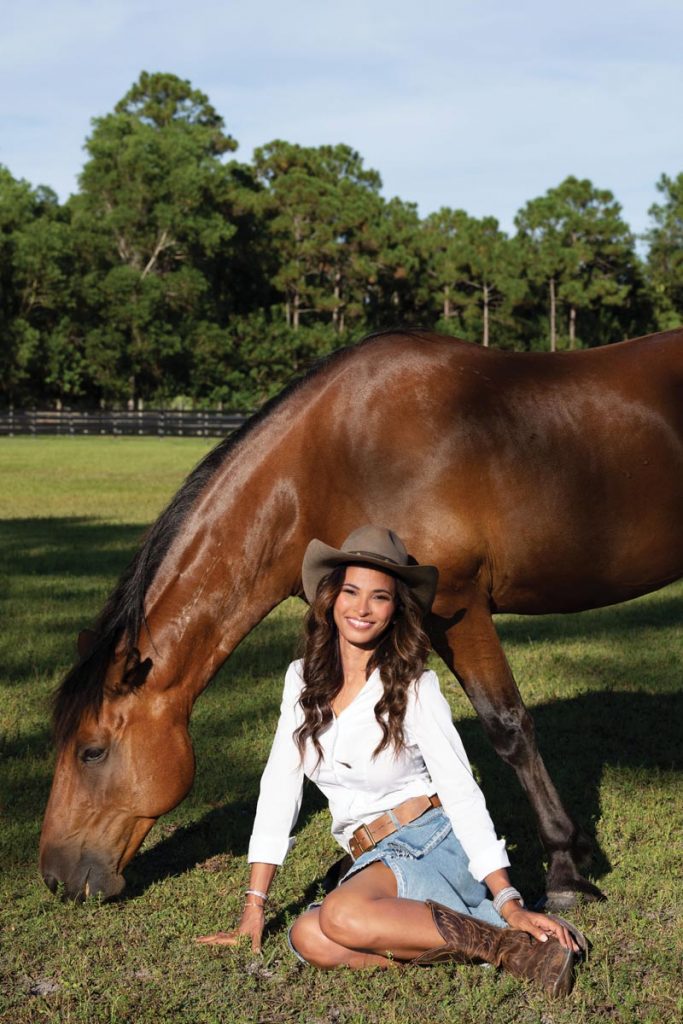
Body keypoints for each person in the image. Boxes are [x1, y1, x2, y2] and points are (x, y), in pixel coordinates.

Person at [197, 526, 587, 996]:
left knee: (339, 915)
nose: (361, 609)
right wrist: (254, 908)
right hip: (371, 856)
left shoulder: (416, 687)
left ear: (395, 610)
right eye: (351, 592)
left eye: (379, 597)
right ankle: (469, 939)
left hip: (430, 842)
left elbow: (462, 793)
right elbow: (280, 787)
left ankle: (507, 942)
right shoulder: (301, 681)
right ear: (330, 598)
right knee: (308, 937)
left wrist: (507, 898)